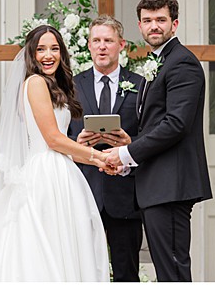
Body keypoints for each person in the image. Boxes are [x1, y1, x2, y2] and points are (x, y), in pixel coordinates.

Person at [0, 25, 111, 281]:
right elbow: (52, 139)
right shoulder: (35, 83)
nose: (48, 55)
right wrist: (97, 156)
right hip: (46, 176)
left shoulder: (54, 86)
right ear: (31, 54)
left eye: (54, 48)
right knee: (44, 243)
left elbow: (61, 143)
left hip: (62, 171)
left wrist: (98, 160)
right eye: (41, 49)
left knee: (64, 242)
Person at [102, 0, 213, 282]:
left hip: (171, 186)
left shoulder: (182, 63)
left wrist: (126, 154)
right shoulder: (160, 62)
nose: (154, 26)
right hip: (156, 186)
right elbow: (154, 125)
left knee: (173, 273)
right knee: (167, 272)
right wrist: (129, 153)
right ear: (139, 26)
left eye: (161, 20)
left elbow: (176, 124)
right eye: (147, 20)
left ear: (174, 25)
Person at [66, 15, 146, 282]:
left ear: (121, 44)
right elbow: (59, 136)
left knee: (126, 274)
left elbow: (152, 134)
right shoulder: (72, 86)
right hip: (83, 191)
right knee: (83, 273)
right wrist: (76, 145)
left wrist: (129, 143)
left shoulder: (141, 85)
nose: (102, 46)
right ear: (88, 45)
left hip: (125, 195)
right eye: (96, 40)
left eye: (108, 41)